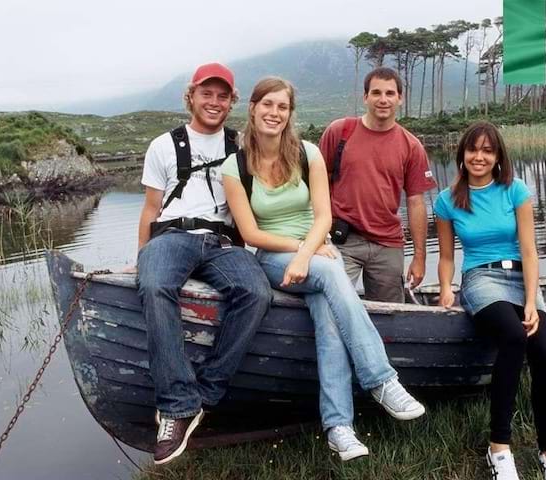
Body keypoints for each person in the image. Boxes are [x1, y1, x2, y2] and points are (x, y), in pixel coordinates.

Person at [222, 77, 425, 461]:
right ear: (252, 108)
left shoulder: (308, 154)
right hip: (273, 257)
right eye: (267, 105)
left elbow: (323, 216)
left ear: (290, 113)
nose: (274, 113)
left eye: (282, 107)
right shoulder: (234, 168)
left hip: (315, 252)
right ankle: (381, 379)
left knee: (328, 317)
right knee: (332, 274)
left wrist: (308, 254)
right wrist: (301, 252)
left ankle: (338, 428)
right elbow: (250, 233)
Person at [136, 63, 272, 465]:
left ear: (232, 102)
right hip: (172, 236)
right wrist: (140, 259)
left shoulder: (242, 148)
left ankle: (205, 395)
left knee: (256, 292)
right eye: (206, 94)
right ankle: (177, 406)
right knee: (156, 285)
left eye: (222, 95)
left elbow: (257, 205)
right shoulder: (163, 145)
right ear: (191, 97)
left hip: (223, 242)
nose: (214, 102)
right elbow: (149, 209)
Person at [434, 121, 546, 480]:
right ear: (462, 154)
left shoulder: (515, 191)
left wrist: (530, 299)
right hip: (481, 278)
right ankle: (499, 448)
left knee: (544, 354)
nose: (479, 157)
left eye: (488, 150)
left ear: (498, 157)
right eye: (473, 149)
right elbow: (447, 256)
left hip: (520, 277)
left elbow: (529, 249)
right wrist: (446, 287)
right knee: (512, 336)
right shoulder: (447, 200)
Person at [318, 67, 436, 303]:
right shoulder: (340, 132)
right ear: (365, 97)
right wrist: (318, 238)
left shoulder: (411, 146)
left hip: (388, 243)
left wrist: (420, 257)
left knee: (390, 313)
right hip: (343, 239)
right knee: (329, 303)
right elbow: (317, 185)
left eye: (390, 93)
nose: (383, 100)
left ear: (400, 99)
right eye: (376, 93)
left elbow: (415, 203)